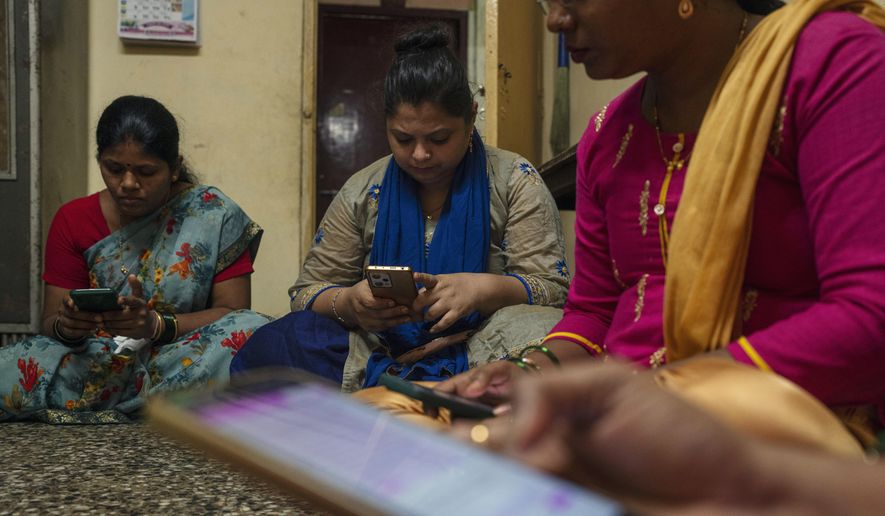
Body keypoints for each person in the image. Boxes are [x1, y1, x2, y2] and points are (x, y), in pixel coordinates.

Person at [440, 0, 885, 445]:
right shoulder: (608, 134)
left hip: (788, 437)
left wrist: (657, 395)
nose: (556, 20)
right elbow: (595, 311)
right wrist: (528, 375)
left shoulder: (832, 66)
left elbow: (870, 318)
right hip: (621, 425)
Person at [231, 24, 570, 392]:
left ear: (471, 117)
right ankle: (426, 397)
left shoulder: (512, 180)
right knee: (279, 342)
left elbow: (552, 289)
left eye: (439, 138)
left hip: (482, 346)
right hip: (379, 350)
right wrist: (349, 302)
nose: (421, 154)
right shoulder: (364, 189)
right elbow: (307, 293)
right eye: (403, 138)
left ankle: (414, 398)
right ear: (386, 124)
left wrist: (485, 290)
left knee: (550, 335)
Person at [0, 95, 270, 423]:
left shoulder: (213, 214)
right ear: (100, 160)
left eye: (146, 171)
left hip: (180, 355)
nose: (128, 184)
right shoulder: (74, 219)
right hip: (97, 360)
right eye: (113, 169)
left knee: (253, 331)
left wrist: (156, 325)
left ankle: (143, 398)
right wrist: (68, 326)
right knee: (20, 361)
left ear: (174, 168)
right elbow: (49, 325)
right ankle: (158, 402)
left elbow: (233, 313)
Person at [473, 360, 885, 514]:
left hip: (767, 398)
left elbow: (864, 311)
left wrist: (653, 388)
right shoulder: (600, 162)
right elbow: (593, 305)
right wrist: (528, 366)